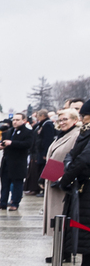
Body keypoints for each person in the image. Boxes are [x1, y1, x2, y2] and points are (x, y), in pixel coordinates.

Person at [43, 108, 82, 253]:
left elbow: (73, 158)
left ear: (75, 120)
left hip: (63, 181)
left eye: (65, 119)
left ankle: (63, 251)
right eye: (60, 120)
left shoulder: (76, 135)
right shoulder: (62, 135)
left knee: (61, 216)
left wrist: (64, 177)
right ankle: (60, 250)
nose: (62, 122)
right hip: (53, 179)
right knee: (56, 216)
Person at [59, 102, 90, 266]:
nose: (81, 118)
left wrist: (65, 179)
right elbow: (71, 155)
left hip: (86, 188)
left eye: (83, 115)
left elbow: (83, 160)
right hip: (82, 186)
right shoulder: (84, 133)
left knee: (85, 230)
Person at [0, 113, 33, 211]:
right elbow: (6, 142)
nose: (15, 122)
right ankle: (2, 202)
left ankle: (15, 203)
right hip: (7, 162)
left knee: (17, 184)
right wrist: (2, 146)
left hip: (18, 163)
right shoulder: (10, 131)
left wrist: (12, 143)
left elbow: (27, 144)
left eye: (18, 120)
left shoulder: (27, 132)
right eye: (14, 120)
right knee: (4, 184)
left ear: (23, 120)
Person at [25, 109, 56, 196]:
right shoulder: (43, 124)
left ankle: (43, 189)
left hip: (43, 152)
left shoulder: (47, 125)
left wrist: (46, 153)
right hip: (39, 151)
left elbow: (47, 140)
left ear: (42, 116)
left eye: (38, 116)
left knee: (43, 170)